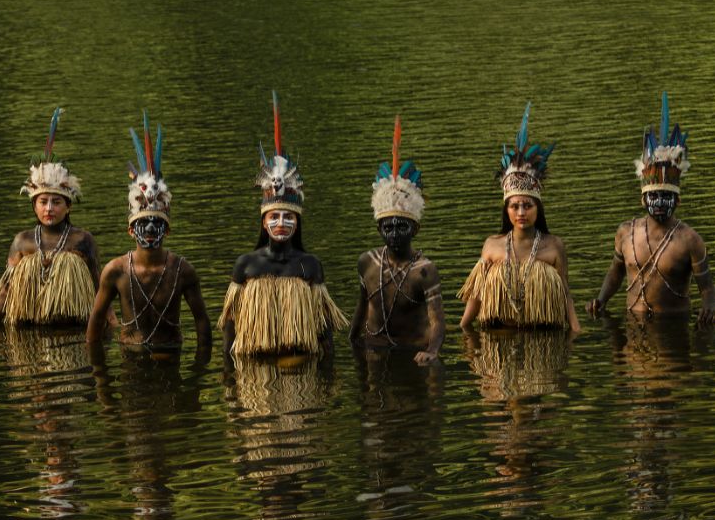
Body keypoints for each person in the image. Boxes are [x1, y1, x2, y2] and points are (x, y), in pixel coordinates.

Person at [218, 92, 347, 356]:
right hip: (255, 376)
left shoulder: (310, 265)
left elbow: (324, 332)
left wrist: (327, 379)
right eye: (274, 217)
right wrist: (229, 380)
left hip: (301, 370)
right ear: (263, 223)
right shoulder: (246, 265)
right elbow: (230, 329)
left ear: (297, 223)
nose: (281, 223)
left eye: (288, 217)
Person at [587, 92, 715, 325]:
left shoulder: (690, 239)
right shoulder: (626, 233)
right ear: (642, 200)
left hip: (674, 325)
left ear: (677, 201)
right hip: (633, 324)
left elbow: (707, 288)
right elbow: (616, 273)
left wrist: (708, 309)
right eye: (653, 196)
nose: (659, 202)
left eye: (666, 196)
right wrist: (601, 300)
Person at [86, 113, 212, 355]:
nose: (151, 229)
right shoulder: (116, 270)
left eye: (157, 223)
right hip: (130, 357)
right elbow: (96, 322)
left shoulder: (182, 270)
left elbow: (201, 321)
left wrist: (199, 371)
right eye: (143, 224)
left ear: (168, 229)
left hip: (171, 354)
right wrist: (100, 380)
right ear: (131, 230)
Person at [458, 103, 581, 332]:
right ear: (506, 210)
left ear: (538, 208)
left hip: (545, 341)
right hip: (498, 342)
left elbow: (565, 294)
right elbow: (475, 296)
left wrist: (576, 332)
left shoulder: (554, 246)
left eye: (528, 205)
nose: (521, 213)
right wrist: (463, 329)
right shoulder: (491, 245)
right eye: (515, 206)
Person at [0, 108, 104, 326]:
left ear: (68, 206)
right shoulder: (22, 241)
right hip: (27, 329)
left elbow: (99, 288)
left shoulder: (82, 240)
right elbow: (5, 288)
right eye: (43, 202)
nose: (49, 208)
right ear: (34, 206)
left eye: (56, 202)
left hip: (74, 329)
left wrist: (109, 325)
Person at [349, 116, 444, 365]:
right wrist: (351, 343)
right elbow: (361, 308)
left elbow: (437, 322)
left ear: (415, 229)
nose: (394, 233)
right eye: (387, 227)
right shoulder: (367, 262)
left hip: (413, 352)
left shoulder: (424, 270)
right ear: (379, 228)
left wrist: (432, 351)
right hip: (373, 348)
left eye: (401, 226)